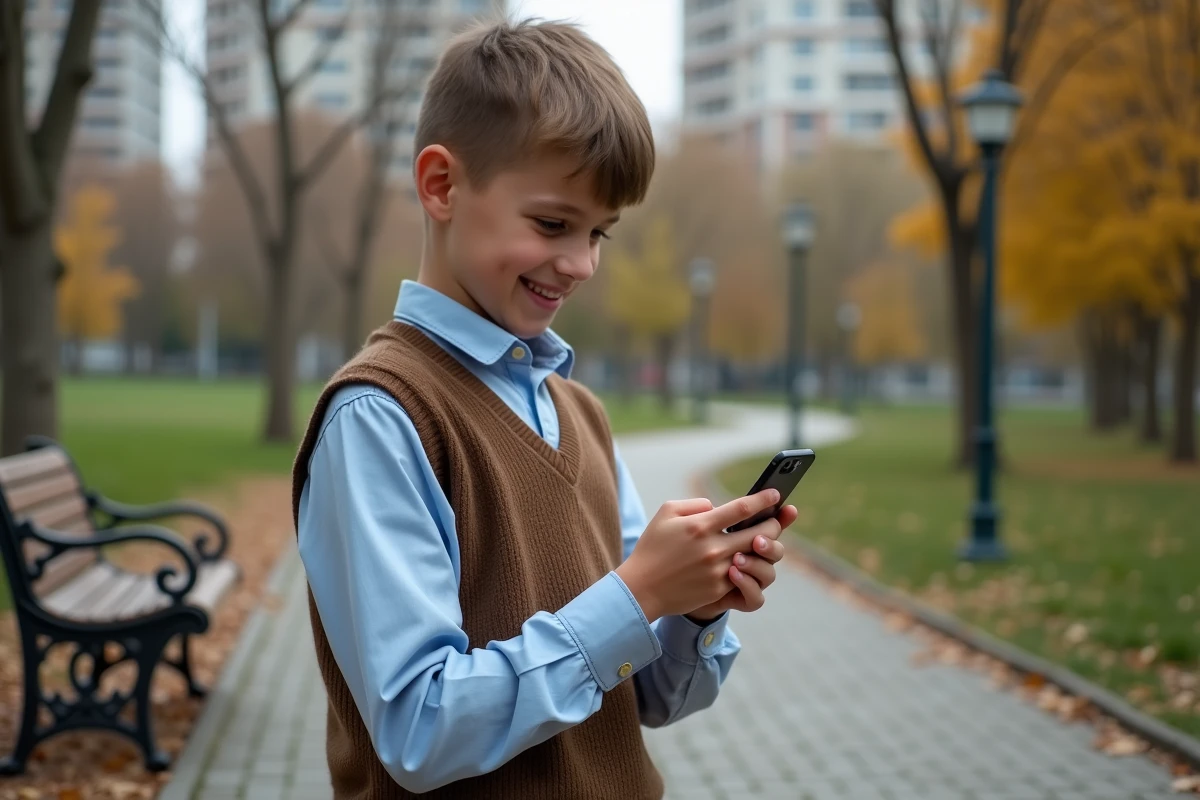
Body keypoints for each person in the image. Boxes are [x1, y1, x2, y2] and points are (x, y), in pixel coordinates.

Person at [292, 17, 796, 800]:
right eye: (554, 224)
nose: (582, 263)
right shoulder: (381, 417)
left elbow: (651, 698)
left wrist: (694, 607)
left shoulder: (581, 412)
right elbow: (418, 728)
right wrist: (638, 595)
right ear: (441, 185)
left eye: (601, 233)